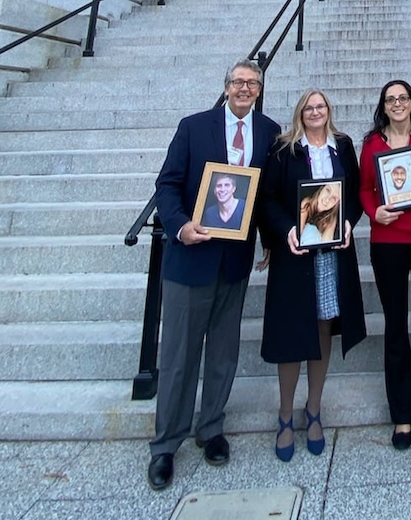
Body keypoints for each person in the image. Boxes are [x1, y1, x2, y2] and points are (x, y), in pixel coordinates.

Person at [148, 59, 280, 490]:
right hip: (191, 257)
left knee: (223, 352)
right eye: (238, 82)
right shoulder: (193, 127)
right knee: (179, 356)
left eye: (252, 83)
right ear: (225, 88)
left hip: (233, 261)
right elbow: (167, 184)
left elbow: (264, 194)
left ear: (259, 90)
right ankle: (167, 443)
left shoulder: (268, 131)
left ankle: (211, 428)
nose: (245, 89)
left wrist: (269, 238)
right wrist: (179, 225)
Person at [259, 89, 366, 462]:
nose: (315, 112)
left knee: (323, 326)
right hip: (297, 254)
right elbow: (267, 198)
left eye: (321, 106)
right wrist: (286, 228)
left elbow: (352, 196)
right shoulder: (284, 149)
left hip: (332, 255)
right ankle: (286, 414)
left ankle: (314, 409)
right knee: (292, 331)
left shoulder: (343, 145)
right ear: (300, 113)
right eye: (309, 107)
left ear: (328, 111)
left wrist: (350, 222)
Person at [359, 79, 411, 451]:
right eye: (391, 99)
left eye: (403, 98)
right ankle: (401, 414)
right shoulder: (372, 144)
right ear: (384, 105)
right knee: (395, 325)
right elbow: (363, 188)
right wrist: (373, 212)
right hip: (388, 241)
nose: (397, 103)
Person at [298, 182, 341, 246]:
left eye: (334, 198)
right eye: (328, 190)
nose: (327, 200)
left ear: (335, 205)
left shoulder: (331, 218)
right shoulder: (307, 204)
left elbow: (326, 244)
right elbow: (298, 238)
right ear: (322, 189)